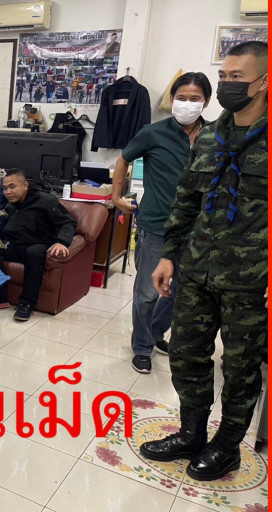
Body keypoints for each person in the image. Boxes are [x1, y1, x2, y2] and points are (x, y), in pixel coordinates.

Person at [139, 41, 268, 482]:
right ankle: (191, 434)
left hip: (251, 280)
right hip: (196, 269)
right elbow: (186, 201)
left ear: (263, 81)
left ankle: (227, 448)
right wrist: (169, 255)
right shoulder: (210, 137)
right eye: (224, 76)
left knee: (241, 367)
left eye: (238, 77)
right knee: (187, 354)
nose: (228, 84)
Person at [111, 72, 213, 374]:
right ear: (172, 99)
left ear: (206, 102)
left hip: (198, 229)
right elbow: (123, 158)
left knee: (179, 291)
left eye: (194, 98)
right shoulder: (153, 133)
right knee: (148, 292)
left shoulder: (214, 135)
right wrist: (116, 196)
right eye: (181, 98)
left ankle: (155, 333)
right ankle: (142, 347)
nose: (187, 104)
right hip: (156, 225)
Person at [0, 169, 76, 321]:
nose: (8, 192)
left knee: (34, 253)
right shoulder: (11, 204)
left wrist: (62, 242)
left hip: (39, 244)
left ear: (25, 185)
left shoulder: (46, 201)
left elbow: (68, 222)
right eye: (5, 188)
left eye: (12, 187)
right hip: (15, 244)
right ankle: (1, 297)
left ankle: (27, 304)